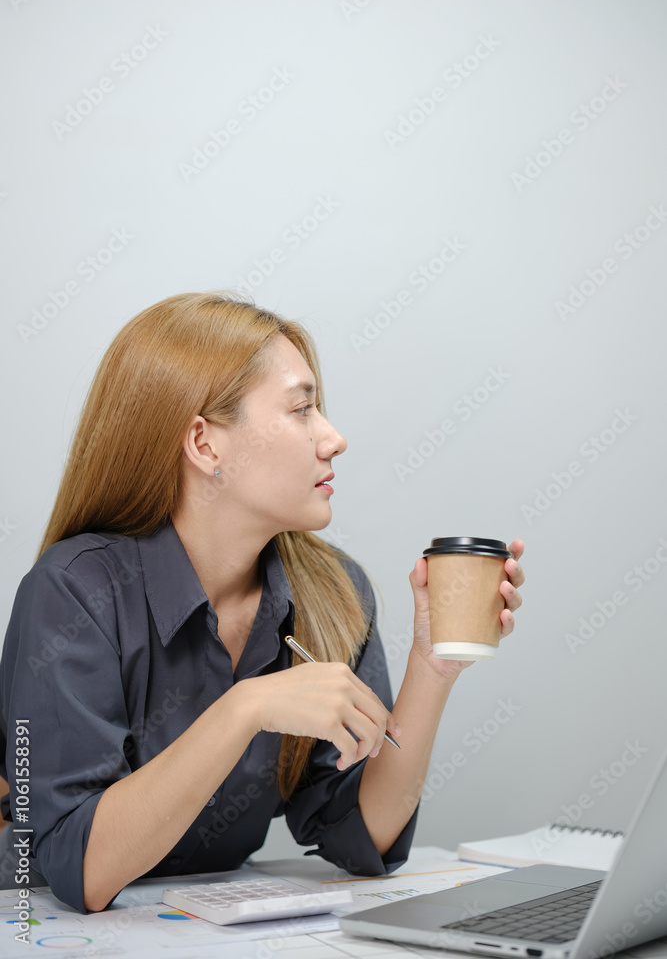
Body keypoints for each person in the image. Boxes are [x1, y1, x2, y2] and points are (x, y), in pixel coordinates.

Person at [0, 292, 524, 914]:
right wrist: (245, 708)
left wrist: (432, 668)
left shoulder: (333, 593)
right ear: (204, 444)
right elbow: (76, 866)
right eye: (302, 409)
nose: (334, 438)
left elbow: (360, 832)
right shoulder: (74, 591)